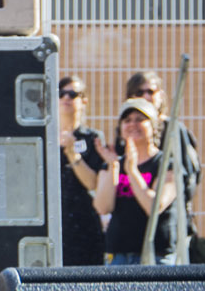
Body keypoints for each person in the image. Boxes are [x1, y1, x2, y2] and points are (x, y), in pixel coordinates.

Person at [93, 98, 180, 265]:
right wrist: (113, 167)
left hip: (155, 255)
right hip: (119, 256)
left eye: (140, 119)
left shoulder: (166, 164)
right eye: (127, 120)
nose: (133, 124)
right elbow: (102, 207)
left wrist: (132, 171)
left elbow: (154, 207)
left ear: (153, 127)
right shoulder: (113, 163)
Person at [56, 75, 107, 265]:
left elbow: (93, 183)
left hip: (84, 222)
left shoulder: (93, 138)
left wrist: (72, 153)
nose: (66, 98)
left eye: (72, 94)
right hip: (54, 220)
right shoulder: (44, 137)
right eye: (61, 93)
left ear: (84, 100)